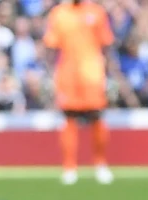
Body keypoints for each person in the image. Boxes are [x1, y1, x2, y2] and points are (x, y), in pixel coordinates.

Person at [44, 0, 115, 185]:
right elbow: (51, 46)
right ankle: (69, 167)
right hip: (68, 74)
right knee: (69, 117)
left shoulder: (96, 12)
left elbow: (106, 44)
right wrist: (49, 74)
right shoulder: (59, 13)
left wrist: (111, 74)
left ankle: (100, 164)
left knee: (97, 116)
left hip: (92, 74)